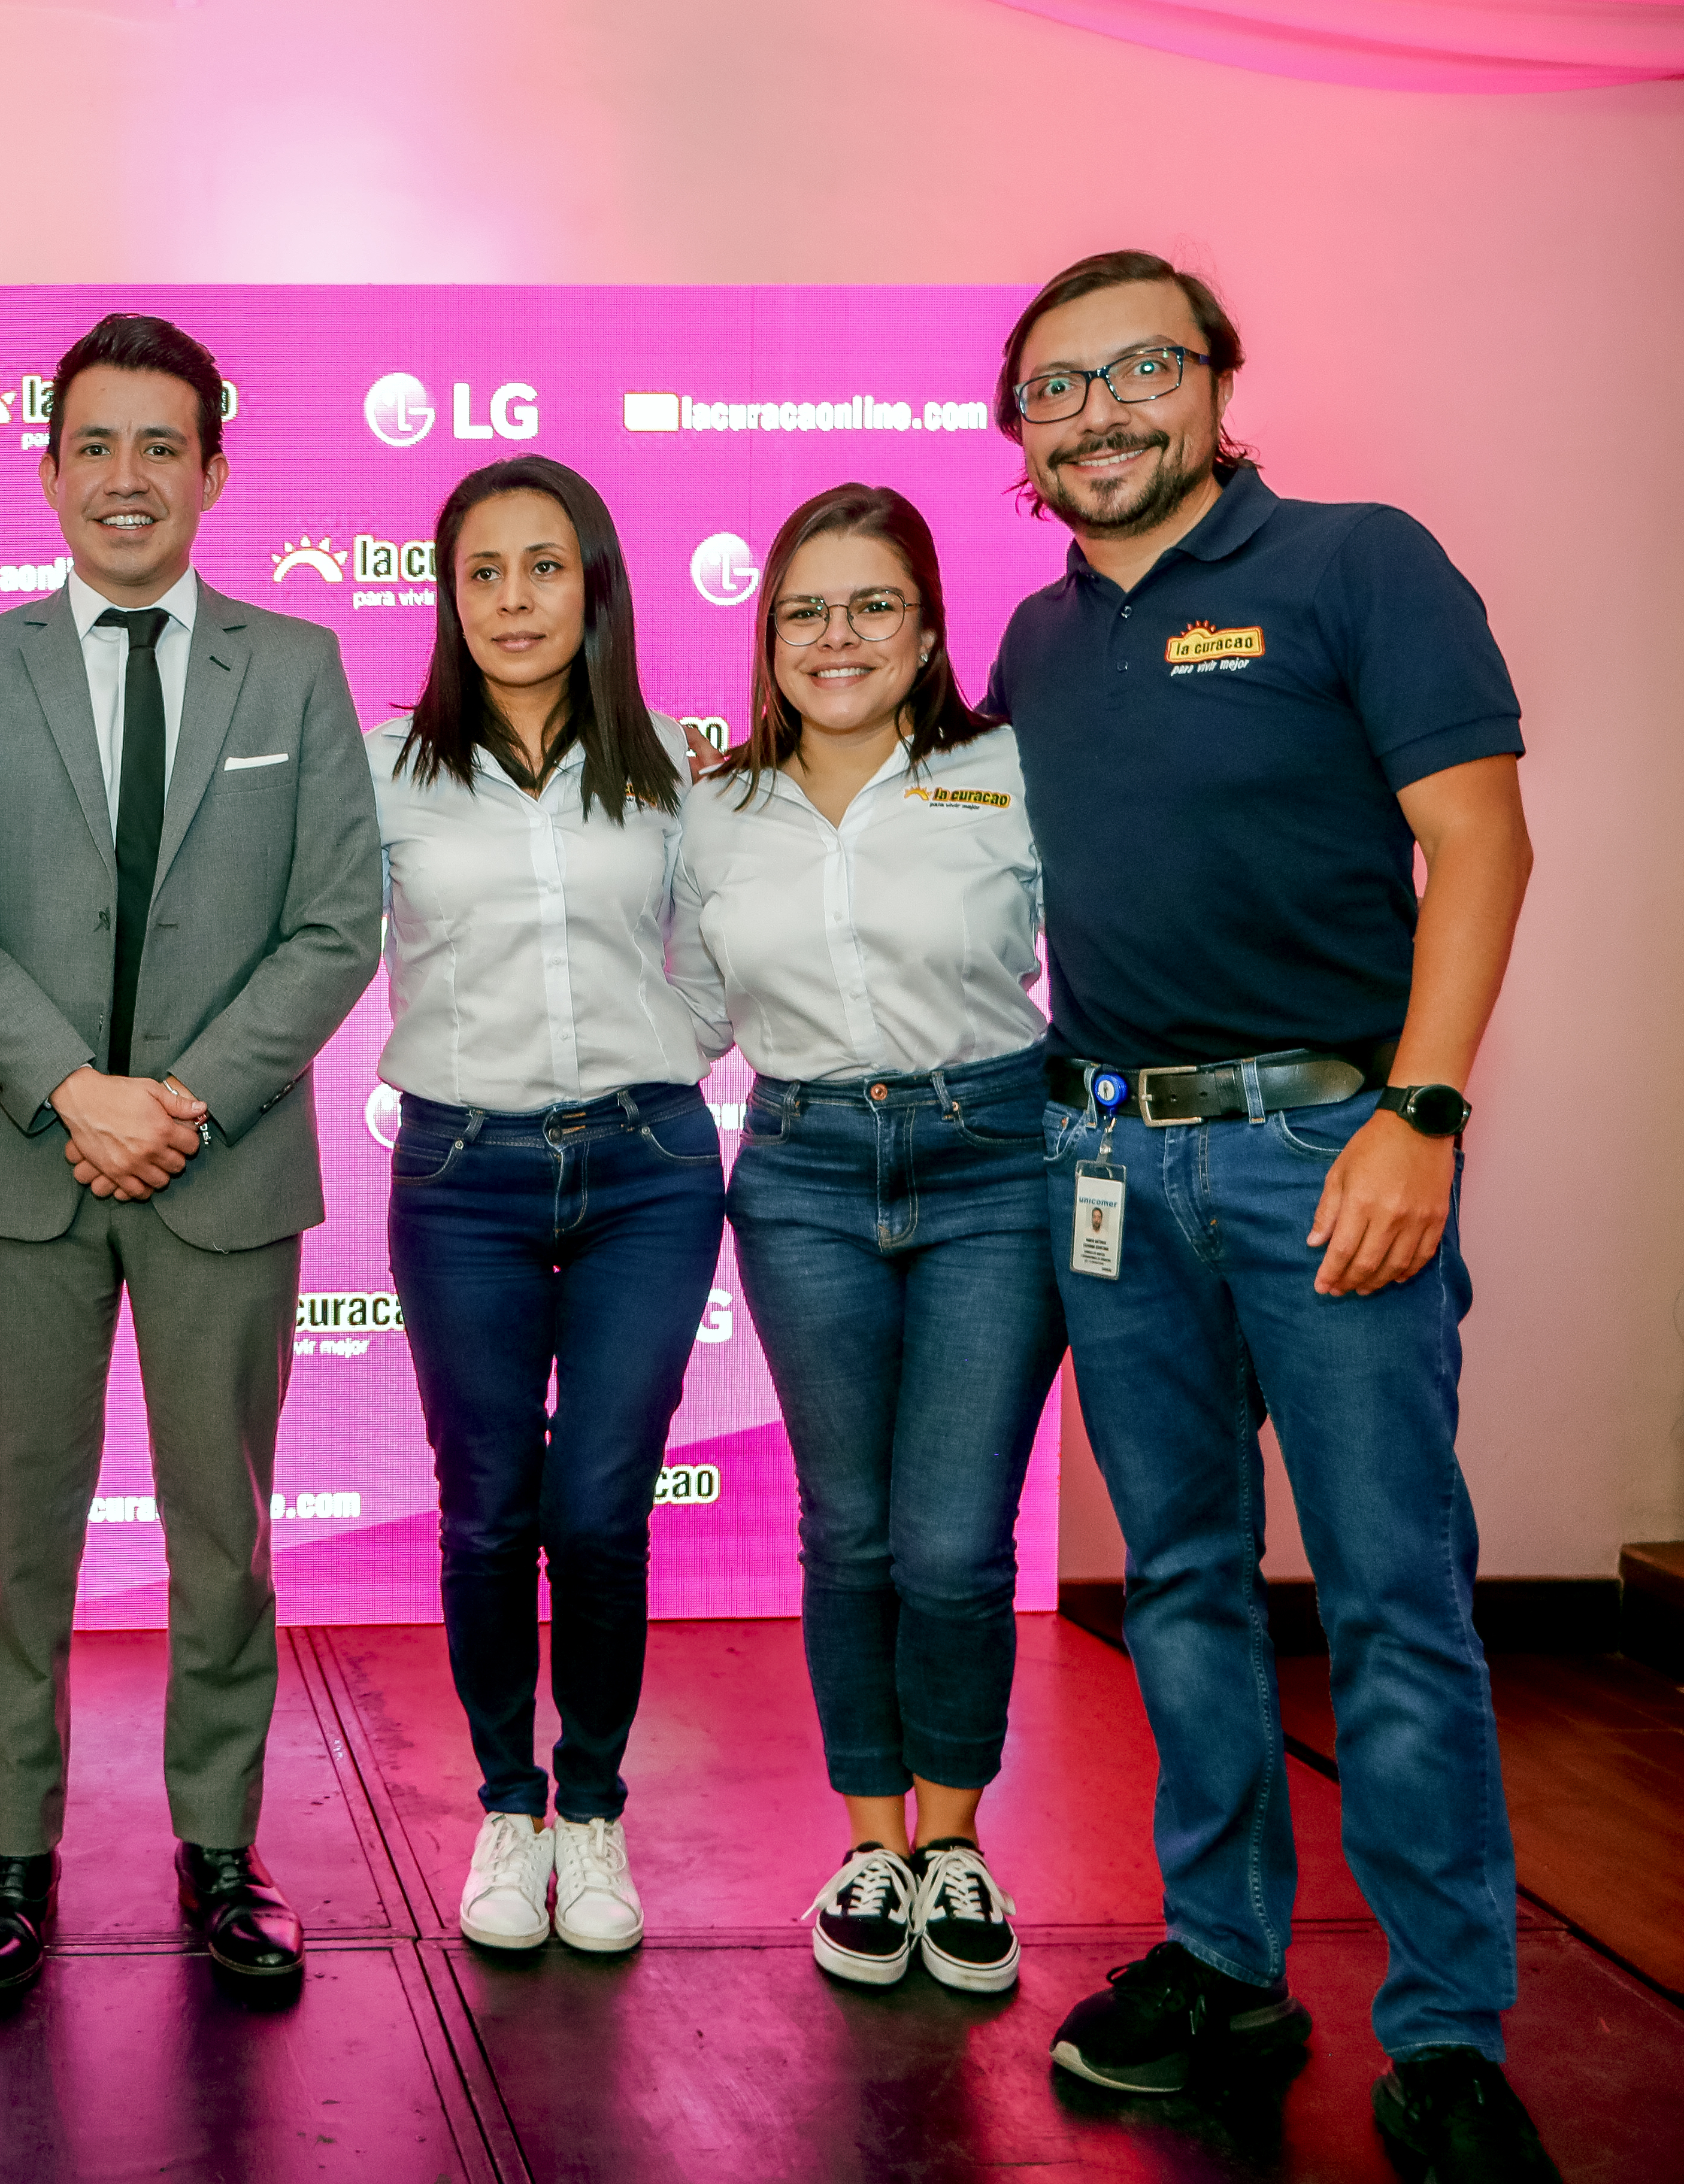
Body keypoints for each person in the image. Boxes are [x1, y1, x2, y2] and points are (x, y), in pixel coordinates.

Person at [987, 251, 1558, 2182]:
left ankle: (1450, 2036)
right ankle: (1227, 1962)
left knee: (1396, 1604)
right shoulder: (1034, 646)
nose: (1098, 414)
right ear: (1023, 438)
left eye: (1139, 369)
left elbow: (1480, 839)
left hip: (1331, 1159)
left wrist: (1423, 1114)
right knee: (1180, 1588)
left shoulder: (1356, 565)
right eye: (1055, 391)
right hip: (1108, 1168)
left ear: (1220, 388)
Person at [0, 313, 380, 1998]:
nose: (126, 478)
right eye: (94, 446)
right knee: (21, 1537)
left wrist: (179, 1097)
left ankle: (218, 1848)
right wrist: (71, 1094)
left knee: (223, 1532)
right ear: (48, 472)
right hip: (28, 1170)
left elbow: (337, 923)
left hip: (223, 1167)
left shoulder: (302, 663)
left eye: (159, 447)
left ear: (214, 473)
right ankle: (17, 1858)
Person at [670, 483, 1062, 1994]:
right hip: (803, 1171)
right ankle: (870, 1850)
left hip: (994, 1165)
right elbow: (693, 1007)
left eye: (871, 606)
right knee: (847, 1529)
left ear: (929, 627)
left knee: (957, 1542)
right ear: (768, 636)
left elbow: (1105, 945)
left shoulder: (1008, 773)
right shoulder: (719, 806)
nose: (837, 638)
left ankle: (953, 1849)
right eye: (805, 611)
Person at [367, 456, 723, 1959]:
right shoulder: (386, 767)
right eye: (483, 573)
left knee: (600, 1507)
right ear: (449, 599)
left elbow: (714, 958)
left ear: (596, 585)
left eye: (545, 567)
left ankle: (594, 1812)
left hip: (647, 1169)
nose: (515, 600)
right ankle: (508, 1807)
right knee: (489, 1507)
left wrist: (661, 1065)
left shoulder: (670, 771)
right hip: (462, 1178)